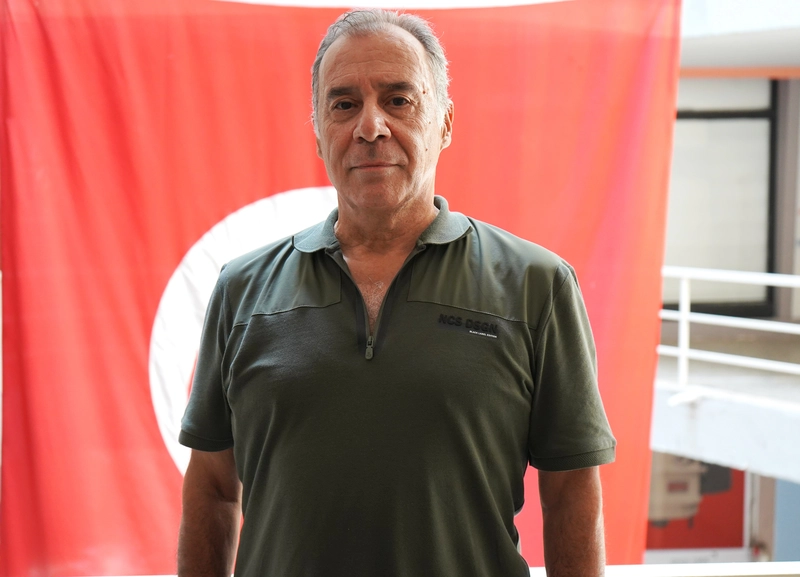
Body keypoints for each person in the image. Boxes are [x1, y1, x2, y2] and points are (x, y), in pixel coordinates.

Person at [177, 9, 616, 577]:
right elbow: (213, 487)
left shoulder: (537, 285)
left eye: (398, 100)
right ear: (318, 132)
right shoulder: (242, 290)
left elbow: (571, 491)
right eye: (343, 104)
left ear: (445, 123)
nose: (370, 126)